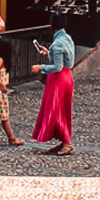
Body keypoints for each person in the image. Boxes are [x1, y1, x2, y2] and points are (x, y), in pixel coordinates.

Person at [31, 22, 76, 154]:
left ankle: (67, 142)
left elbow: (57, 67)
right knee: (62, 110)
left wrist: (40, 67)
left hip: (58, 80)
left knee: (55, 110)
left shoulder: (57, 44)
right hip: (67, 76)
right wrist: (49, 53)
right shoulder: (67, 38)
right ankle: (64, 140)